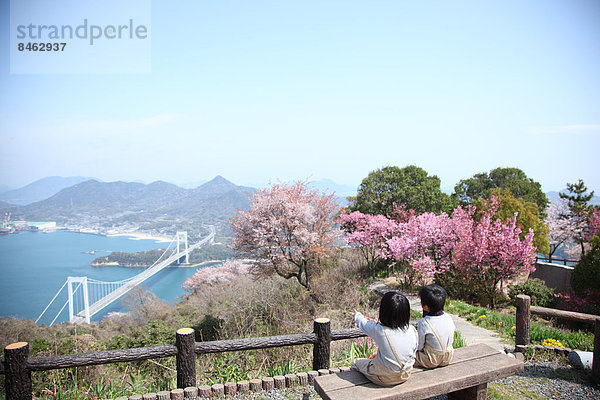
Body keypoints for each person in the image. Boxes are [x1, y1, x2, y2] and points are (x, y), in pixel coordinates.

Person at [351, 291, 418, 386]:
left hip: (385, 378)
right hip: (405, 374)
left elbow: (363, 323)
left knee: (357, 363)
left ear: (383, 311)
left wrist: (357, 315)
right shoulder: (412, 330)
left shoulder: (380, 330)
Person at [414, 284, 455, 368]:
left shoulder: (424, 322)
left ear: (425, 307)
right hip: (447, 357)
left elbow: (419, 346)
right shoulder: (449, 318)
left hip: (431, 360)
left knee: (408, 356)